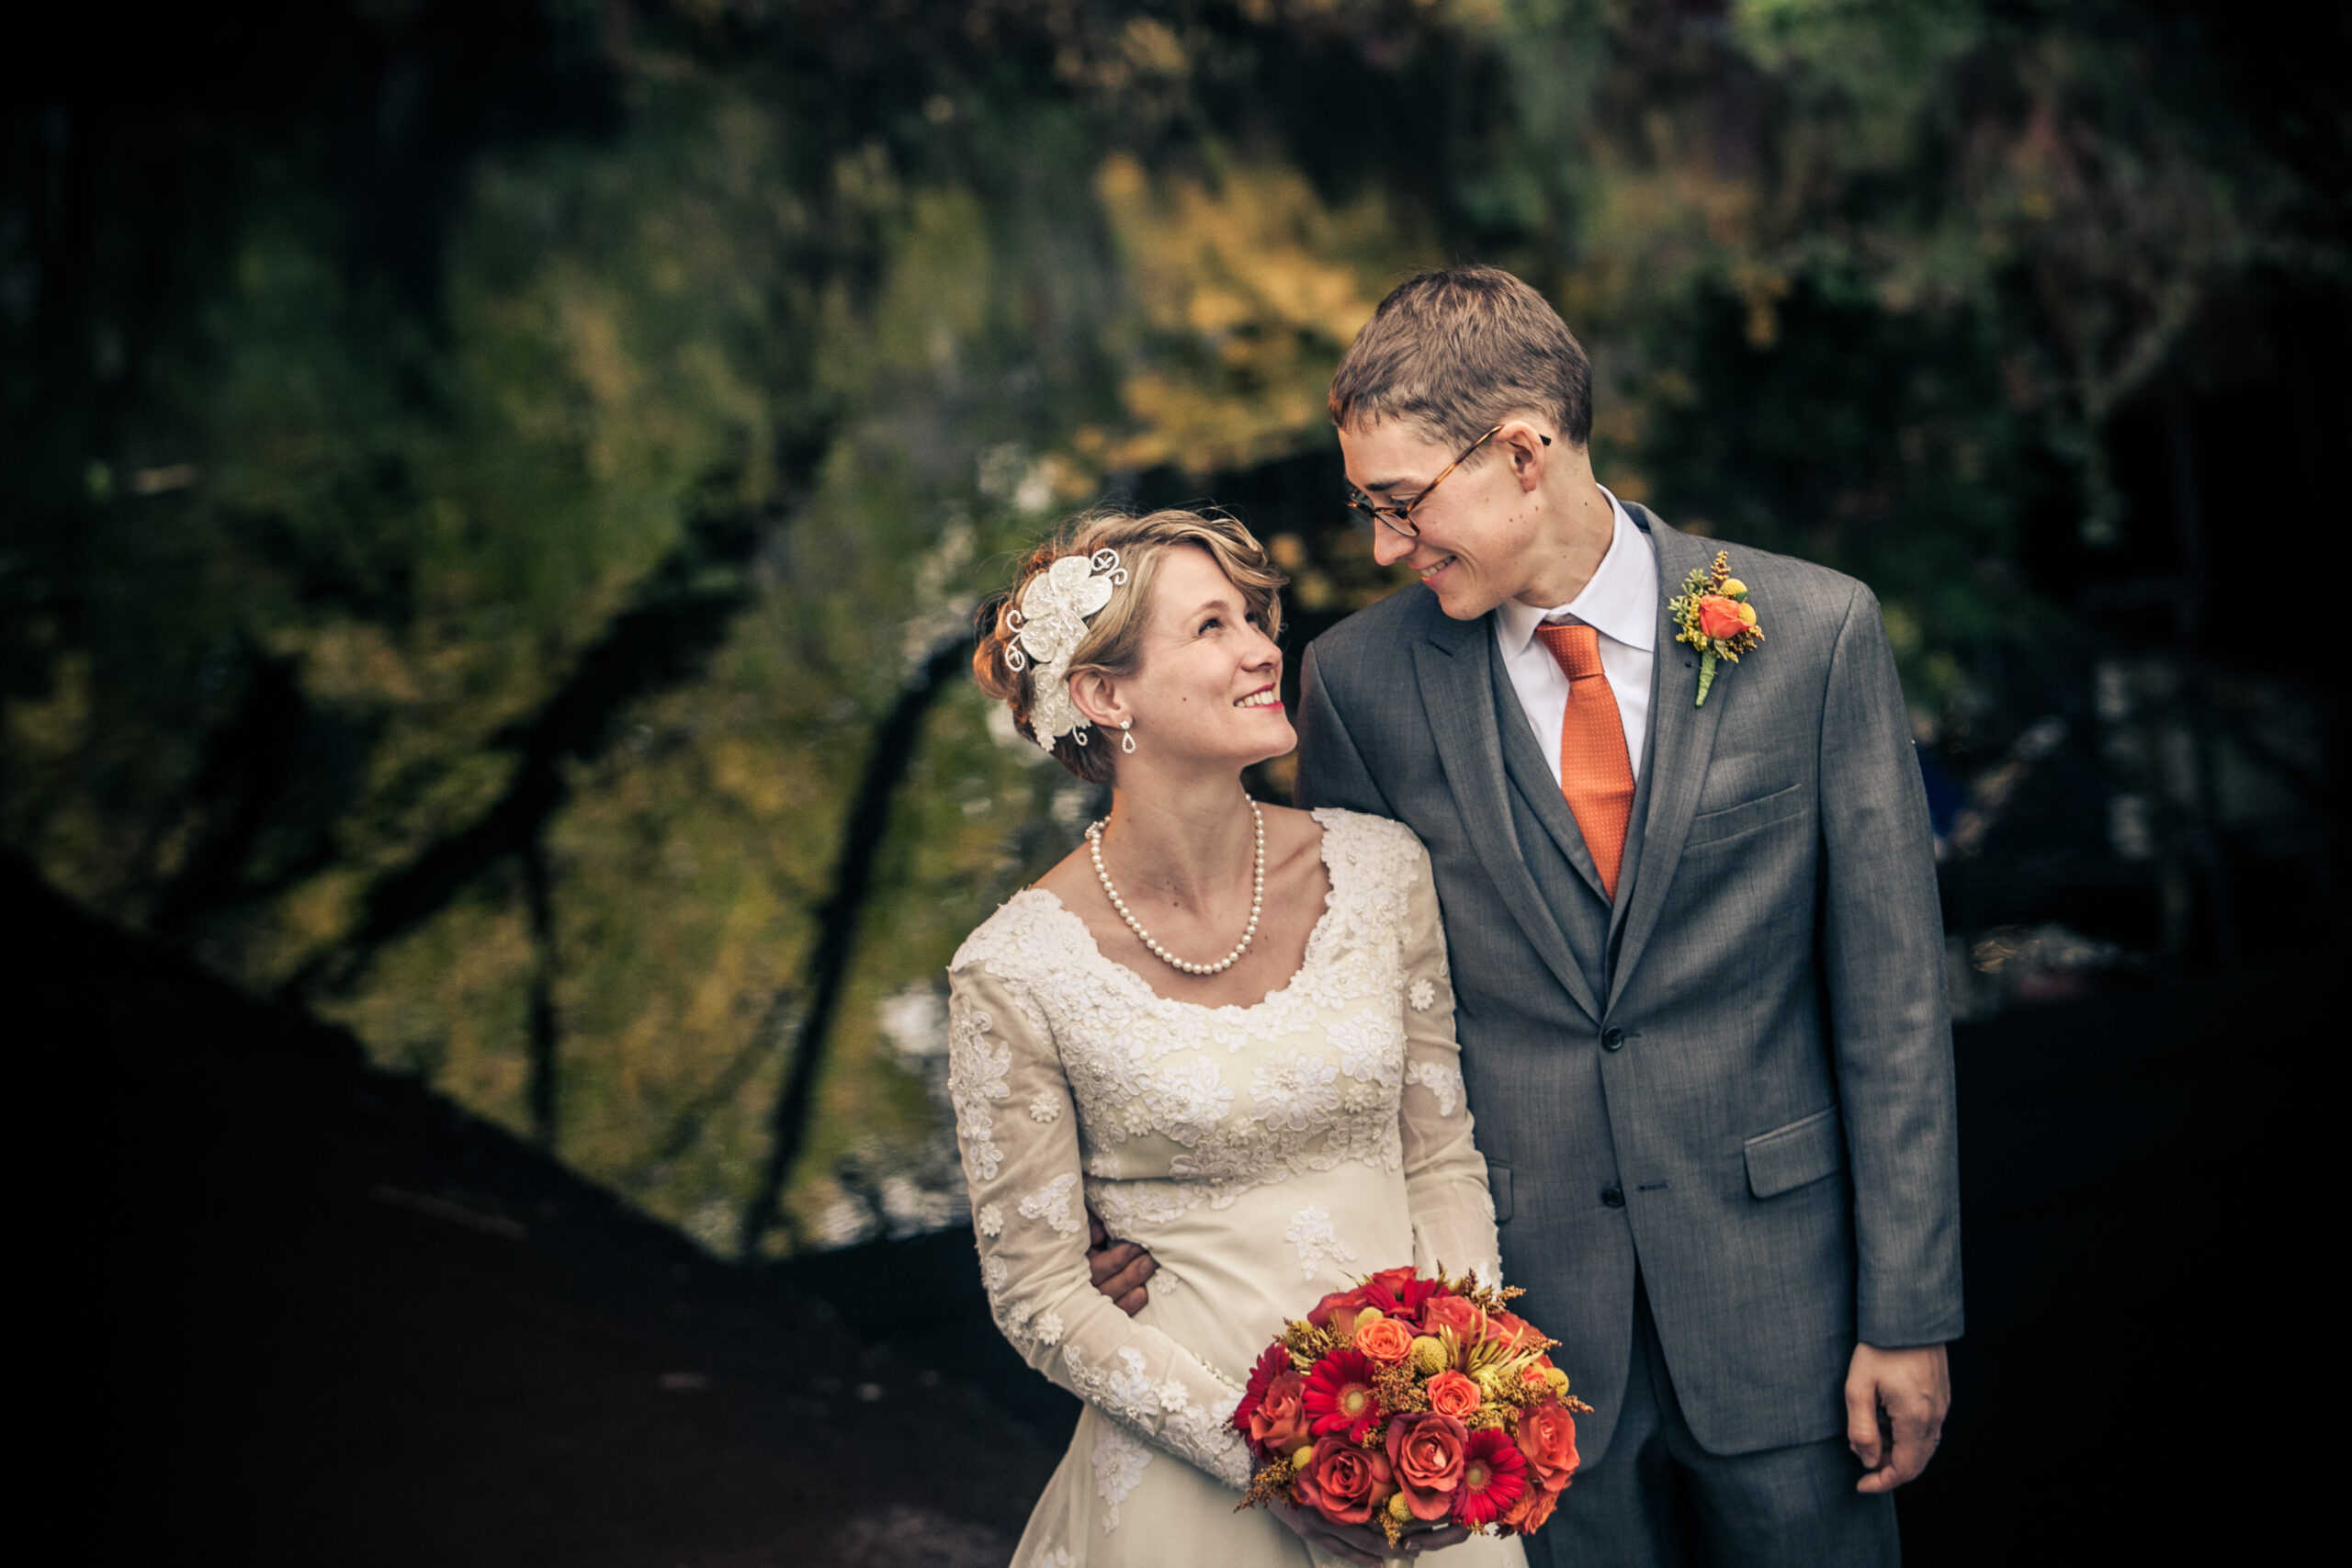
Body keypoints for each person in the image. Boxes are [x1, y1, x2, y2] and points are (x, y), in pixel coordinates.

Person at [1091, 266, 1961, 1566]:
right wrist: (1155, 1203)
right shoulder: (1360, 685)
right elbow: (1342, 1017)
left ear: (1521, 452)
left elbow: (1892, 1007)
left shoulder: (1815, 632)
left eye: (1402, 503)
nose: (1385, 547)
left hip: (1792, 1310)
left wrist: (1909, 1312)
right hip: (1513, 1351)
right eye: (1368, 510)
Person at [950, 508, 1526, 1568]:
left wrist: (1461, 1392)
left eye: (1256, 619)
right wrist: (1270, 1465)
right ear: (1105, 696)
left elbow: (1440, 1159)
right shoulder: (1014, 969)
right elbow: (1041, 1296)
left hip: (1419, 1459)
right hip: (1190, 1478)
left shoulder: (1380, 870)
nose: (1264, 649)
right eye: (1212, 626)